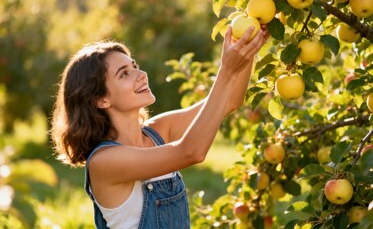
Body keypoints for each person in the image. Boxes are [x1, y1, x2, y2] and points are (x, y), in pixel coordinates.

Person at [50, 25, 269, 229]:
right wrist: (227, 70)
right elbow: (191, 152)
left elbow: (229, 101)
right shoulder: (104, 162)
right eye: (124, 73)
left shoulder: (158, 131)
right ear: (101, 100)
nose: (141, 75)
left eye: (134, 66)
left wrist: (247, 46)